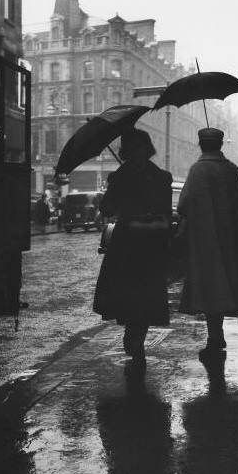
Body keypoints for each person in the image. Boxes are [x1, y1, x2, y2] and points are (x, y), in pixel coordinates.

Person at [177, 128, 238, 357]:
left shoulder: (198, 170)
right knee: (229, 283)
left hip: (206, 240)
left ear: (200, 144)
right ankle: (216, 335)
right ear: (220, 145)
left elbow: (183, 205)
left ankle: (214, 336)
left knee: (210, 287)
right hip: (232, 238)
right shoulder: (231, 169)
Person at [93, 128, 172, 366]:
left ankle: (134, 334)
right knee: (145, 292)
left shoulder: (121, 176)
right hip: (150, 242)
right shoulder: (160, 176)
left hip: (128, 242)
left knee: (129, 290)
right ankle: (136, 335)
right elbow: (166, 212)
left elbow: (107, 209)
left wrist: (114, 196)